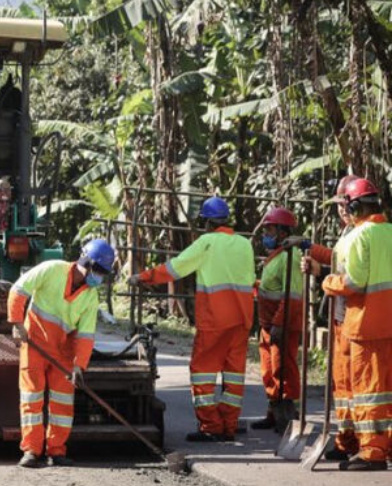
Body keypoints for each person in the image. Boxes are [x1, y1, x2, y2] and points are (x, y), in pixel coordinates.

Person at [130, 196, 255, 442]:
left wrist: (143, 277)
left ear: (206, 222)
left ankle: (210, 427)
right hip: (242, 320)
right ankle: (228, 426)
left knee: (203, 373)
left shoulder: (207, 243)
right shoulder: (244, 244)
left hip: (215, 320)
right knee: (233, 375)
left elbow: (176, 268)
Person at [8, 239, 116, 468]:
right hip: (35, 343)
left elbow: (86, 335)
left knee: (63, 403)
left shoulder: (90, 296)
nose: (98, 277)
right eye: (97, 271)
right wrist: (17, 323)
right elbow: (18, 290)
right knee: (31, 398)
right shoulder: (52, 269)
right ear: (84, 262)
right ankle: (31, 451)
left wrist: (79, 366)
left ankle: (56, 451)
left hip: (64, 352)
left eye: (102, 273)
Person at [321, 178, 392, 470]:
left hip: (365, 324)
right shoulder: (388, 231)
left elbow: (354, 281)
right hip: (387, 323)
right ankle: (381, 444)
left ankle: (372, 453)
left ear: (353, 205)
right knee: (386, 387)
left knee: (369, 391)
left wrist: (328, 281)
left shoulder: (360, 236)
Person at [300, 175, 360, 461]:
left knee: (355, 384)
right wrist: (311, 250)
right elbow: (337, 260)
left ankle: (361, 441)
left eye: (344, 205)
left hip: (353, 317)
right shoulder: (348, 233)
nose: (340, 210)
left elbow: (352, 278)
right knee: (343, 385)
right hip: (341, 317)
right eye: (338, 205)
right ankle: (347, 439)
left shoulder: (362, 235)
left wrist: (321, 274)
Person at [251, 207, 304, 430]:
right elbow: (271, 288)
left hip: (281, 325)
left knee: (284, 369)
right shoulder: (275, 257)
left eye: (270, 230)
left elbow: (291, 295)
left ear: (283, 233)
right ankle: (274, 411)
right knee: (269, 370)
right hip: (268, 324)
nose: (266, 235)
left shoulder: (290, 256)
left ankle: (289, 417)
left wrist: (279, 324)